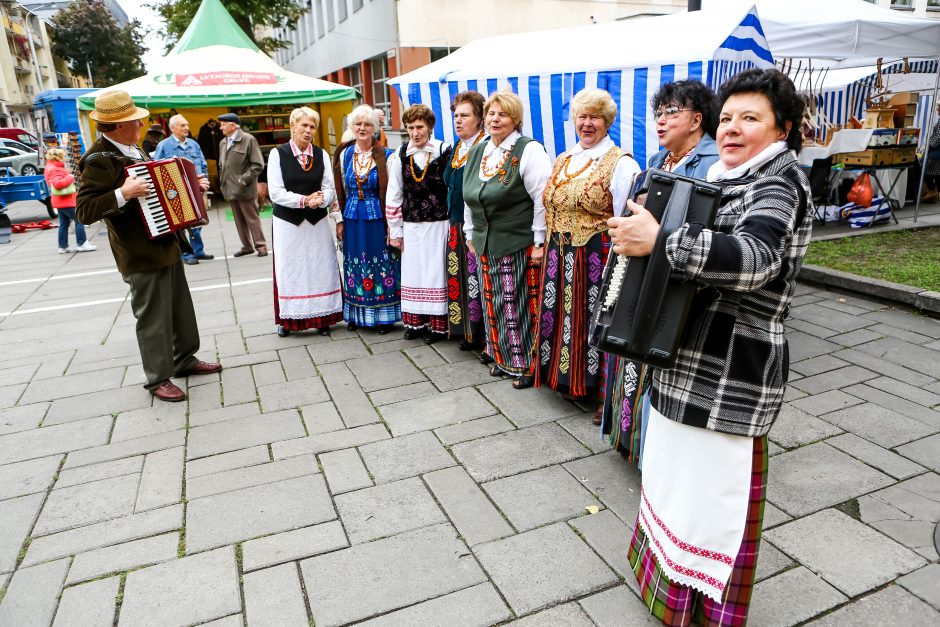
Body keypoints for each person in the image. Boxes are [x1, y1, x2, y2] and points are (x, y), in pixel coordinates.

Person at [610, 68, 812, 626]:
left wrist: (662, 240)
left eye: (751, 118)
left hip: (729, 373)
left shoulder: (780, 181)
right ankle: (671, 601)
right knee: (676, 490)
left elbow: (755, 258)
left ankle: (704, 614)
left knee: (710, 507)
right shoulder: (721, 178)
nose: (732, 128)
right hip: (686, 359)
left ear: (782, 129)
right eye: (727, 117)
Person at [76, 90, 221, 402]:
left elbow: (159, 190)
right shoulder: (96, 160)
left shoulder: (133, 149)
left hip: (164, 242)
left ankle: (184, 359)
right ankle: (157, 378)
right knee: (152, 316)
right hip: (137, 251)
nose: (141, 124)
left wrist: (193, 186)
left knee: (179, 308)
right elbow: (84, 211)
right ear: (116, 126)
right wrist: (122, 193)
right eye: (134, 121)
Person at [604, 79, 720, 445]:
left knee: (661, 349)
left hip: (681, 269)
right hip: (646, 262)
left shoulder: (713, 162)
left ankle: (652, 448)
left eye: (672, 112)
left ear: (697, 119)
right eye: (658, 113)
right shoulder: (658, 160)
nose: (661, 120)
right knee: (633, 341)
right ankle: (630, 439)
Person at [536, 88, 640, 409]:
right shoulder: (565, 158)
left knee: (588, 318)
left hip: (594, 253)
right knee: (559, 315)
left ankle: (590, 386)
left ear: (607, 121)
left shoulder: (620, 163)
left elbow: (626, 215)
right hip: (558, 252)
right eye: (582, 116)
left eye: (595, 117)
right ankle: (559, 375)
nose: (587, 123)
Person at [463, 90, 552, 389]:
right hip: (485, 241)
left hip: (517, 239)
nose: (494, 119)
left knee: (519, 304)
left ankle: (527, 364)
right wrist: (468, 232)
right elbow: (468, 197)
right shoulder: (479, 151)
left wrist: (539, 242)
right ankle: (501, 358)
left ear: (515, 119)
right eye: (490, 113)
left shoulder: (529, 150)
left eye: (502, 114)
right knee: (493, 303)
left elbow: (542, 200)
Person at [268, 107, 343, 337]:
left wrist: (322, 199)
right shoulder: (277, 154)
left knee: (320, 266)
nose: (309, 130)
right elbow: (276, 192)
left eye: (312, 127)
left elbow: (330, 187)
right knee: (291, 268)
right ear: (293, 126)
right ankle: (289, 320)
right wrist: (304, 201)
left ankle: (322, 318)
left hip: (316, 221)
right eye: (304, 125)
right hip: (288, 224)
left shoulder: (320, 154)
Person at [386, 104, 453, 344]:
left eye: (420, 127)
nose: (415, 132)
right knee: (414, 272)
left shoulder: (444, 150)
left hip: (439, 222)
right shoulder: (400, 154)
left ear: (430, 127)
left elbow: (452, 188)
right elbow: (394, 192)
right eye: (411, 127)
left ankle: (438, 325)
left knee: (436, 271)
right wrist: (395, 230)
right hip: (411, 223)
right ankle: (416, 323)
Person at [332, 104, 400, 333]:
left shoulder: (387, 156)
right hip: (352, 218)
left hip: (376, 219)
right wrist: (339, 220)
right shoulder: (345, 154)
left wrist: (393, 225)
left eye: (367, 124)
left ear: (375, 128)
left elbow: (393, 193)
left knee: (381, 264)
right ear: (352, 127)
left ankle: (383, 316)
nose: (362, 128)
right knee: (354, 264)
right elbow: (339, 187)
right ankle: (356, 314)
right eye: (358, 124)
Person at [442, 91, 487, 350]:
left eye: (465, 115)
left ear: (479, 119)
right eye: (456, 116)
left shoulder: (484, 147)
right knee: (458, 277)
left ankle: (480, 335)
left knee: (475, 279)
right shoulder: (459, 147)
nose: (458, 121)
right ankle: (463, 330)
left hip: (475, 225)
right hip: (455, 223)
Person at [154, 114, 214, 265]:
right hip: (177, 192)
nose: (187, 128)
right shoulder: (164, 146)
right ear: (172, 128)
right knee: (182, 223)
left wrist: (204, 182)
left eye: (187, 125)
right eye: (182, 125)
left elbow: (202, 163)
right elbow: (156, 168)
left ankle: (198, 251)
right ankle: (186, 254)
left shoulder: (194, 144)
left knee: (199, 220)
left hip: (197, 189)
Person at [218, 112, 267, 257]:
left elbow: (258, 165)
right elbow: (223, 165)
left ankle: (261, 247)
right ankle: (247, 247)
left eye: (223, 124)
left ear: (233, 126)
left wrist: (243, 180)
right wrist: (222, 182)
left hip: (245, 188)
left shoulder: (248, 139)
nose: (221, 127)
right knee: (239, 220)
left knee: (252, 219)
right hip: (230, 188)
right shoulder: (223, 142)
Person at [45, 147, 96, 254]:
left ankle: (63, 246)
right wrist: (70, 177)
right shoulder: (55, 169)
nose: (64, 159)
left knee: (64, 223)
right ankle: (82, 243)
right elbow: (58, 184)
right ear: (58, 157)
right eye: (62, 157)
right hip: (66, 200)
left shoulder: (50, 167)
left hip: (59, 201)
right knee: (79, 220)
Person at [921, 101, 940, 202]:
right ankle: (934, 191)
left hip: (936, 150)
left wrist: (930, 147)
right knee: (937, 171)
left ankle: (932, 190)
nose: (937, 109)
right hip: (937, 150)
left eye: (938, 107)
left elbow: (938, 136)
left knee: (924, 166)